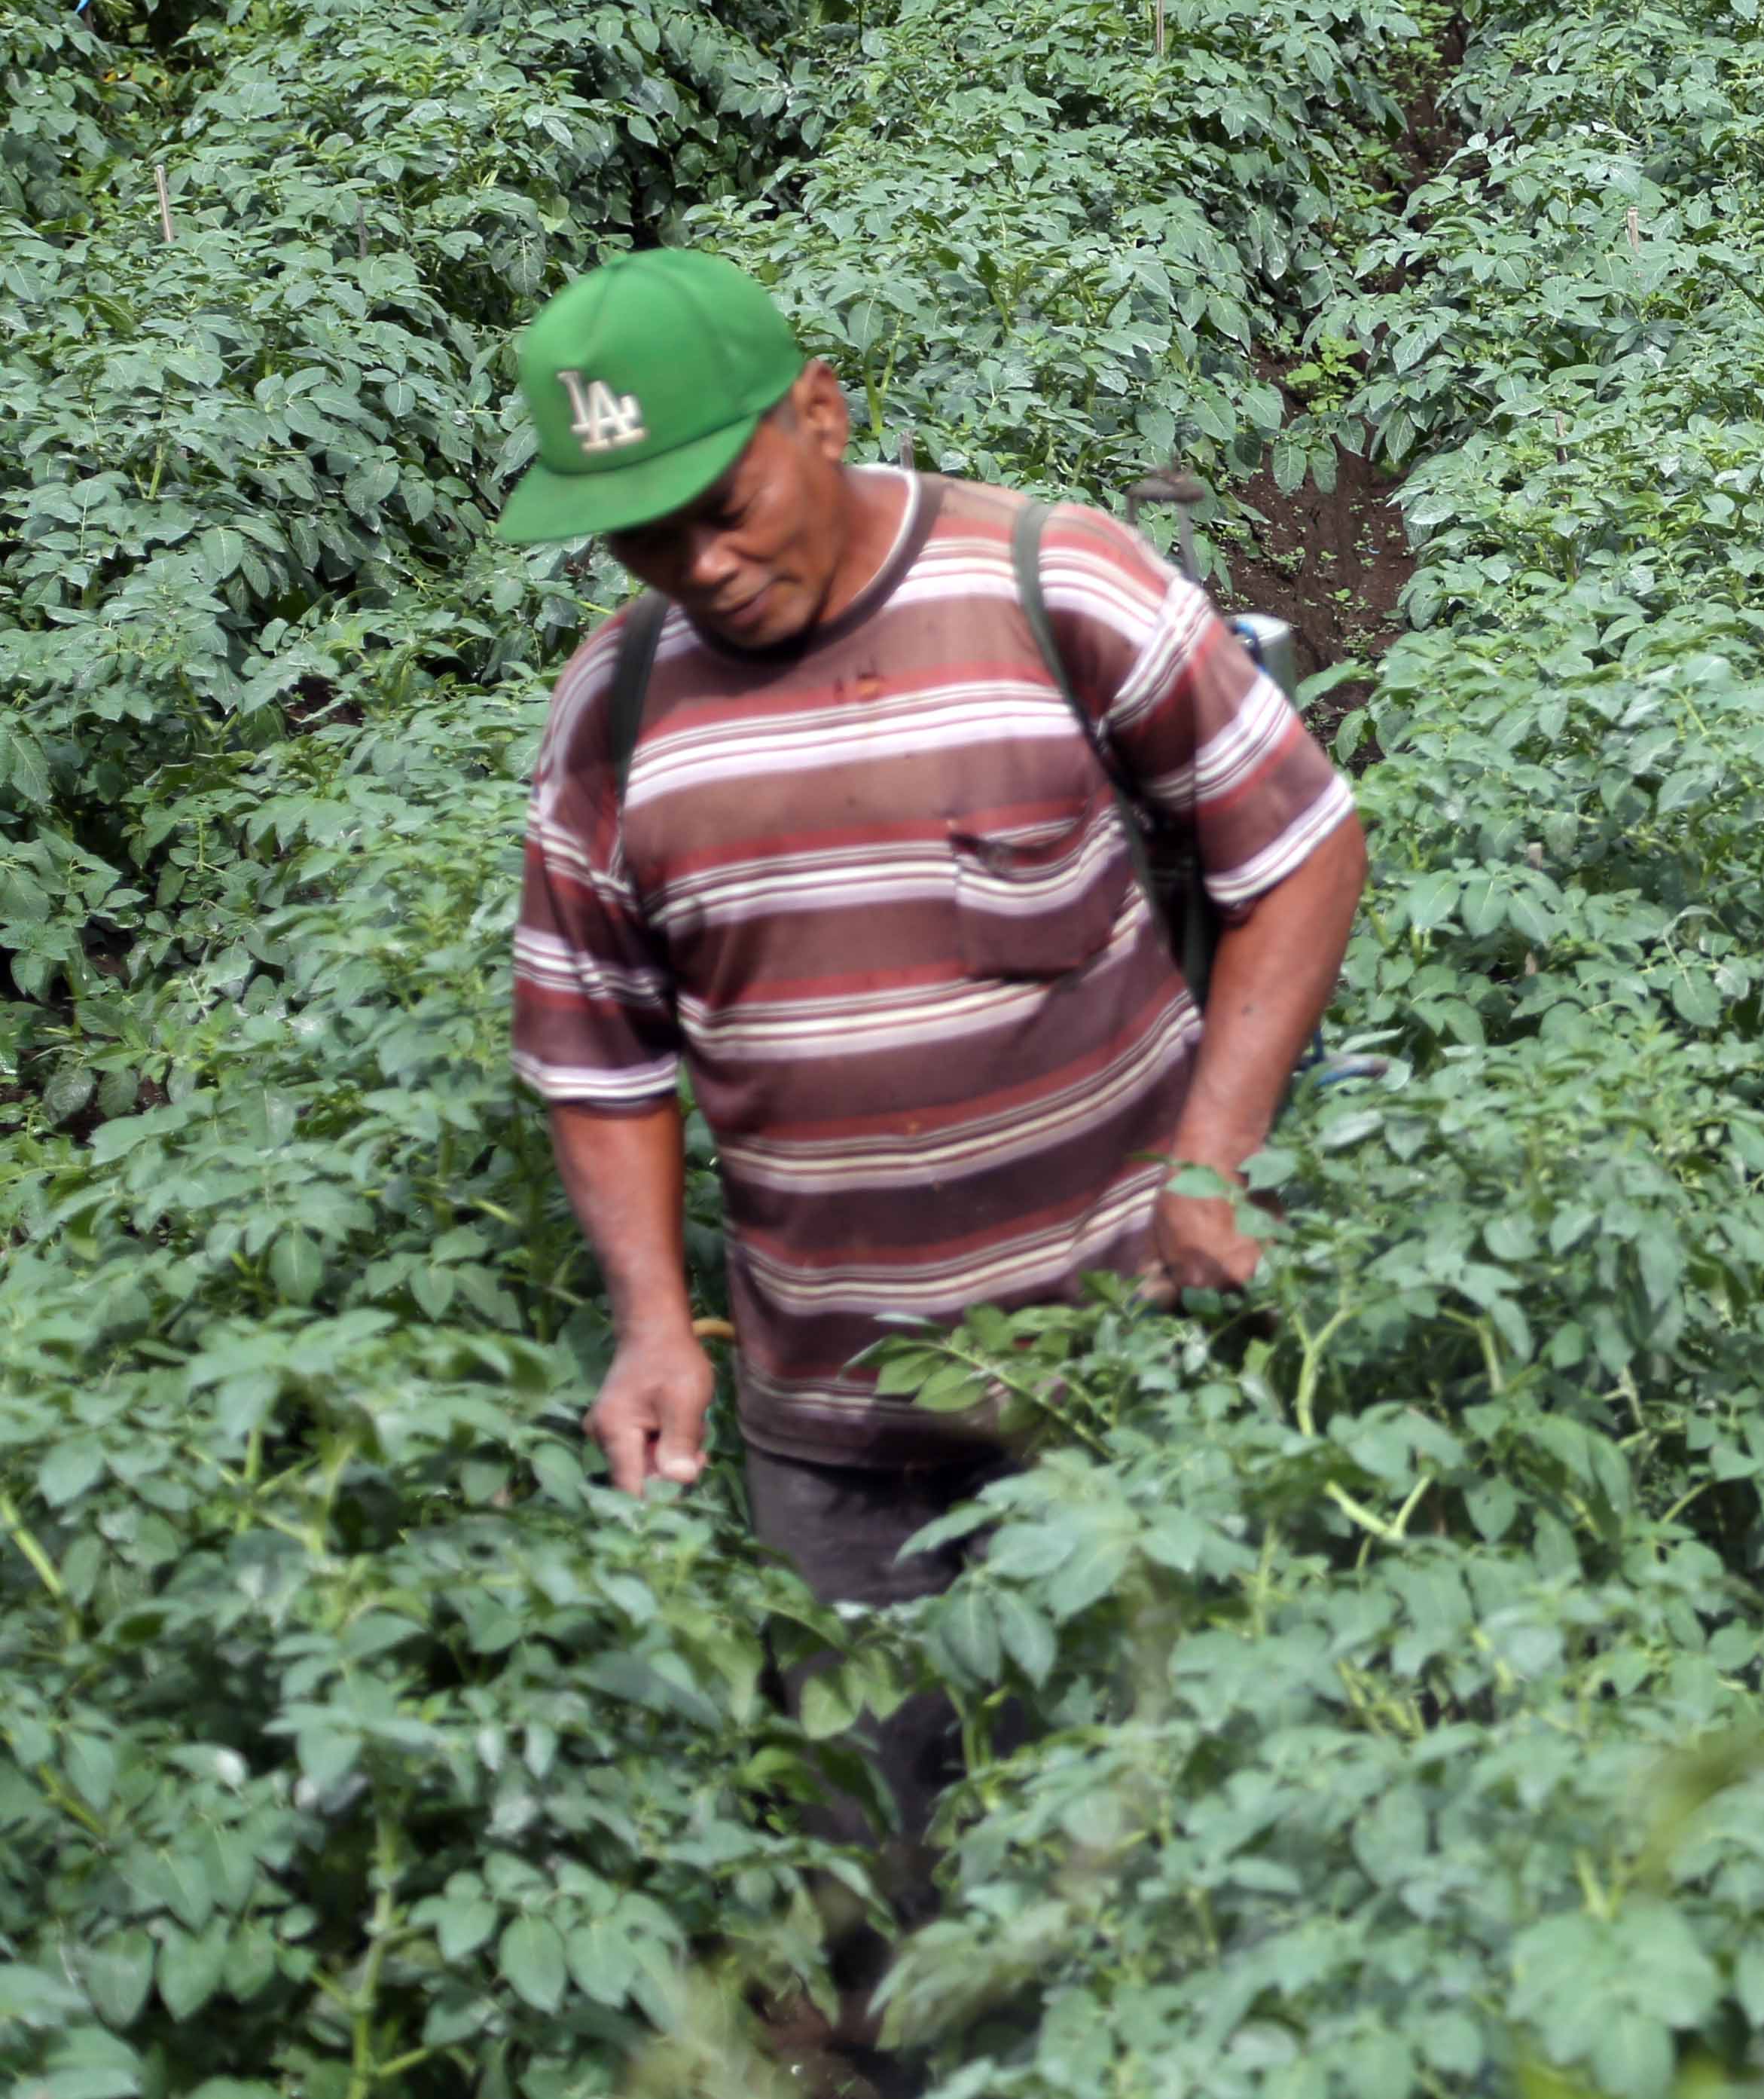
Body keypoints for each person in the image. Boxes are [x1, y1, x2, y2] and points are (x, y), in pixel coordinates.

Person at [497, 247, 1366, 1596]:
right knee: (880, 1791)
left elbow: (1300, 849)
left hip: (1132, 1364)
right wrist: (654, 1324)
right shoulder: (612, 715)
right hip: (840, 1441)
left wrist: (1212, 1160)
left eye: (723, 507)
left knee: (1165, 1775)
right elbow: (597, 1056)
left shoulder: (1055, 583)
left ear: (820, 412)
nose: (702, 565)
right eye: (646, 537)